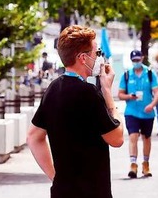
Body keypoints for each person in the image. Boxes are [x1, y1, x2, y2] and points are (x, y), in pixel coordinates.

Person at [27, 25, 123, 198]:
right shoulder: (88, 93)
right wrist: (107, 92)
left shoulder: (53, 88)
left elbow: (34, 137)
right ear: (83, 58)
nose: (98, 58)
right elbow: (117, 138)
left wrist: (55, 177)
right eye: (97, 53)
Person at [118, 49, 158, 178]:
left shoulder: (150, 74)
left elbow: (157, 91)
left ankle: (146, 164)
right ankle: (133, 164)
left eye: (138, 60)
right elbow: (120, 94)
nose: (136, 62)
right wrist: (129, 96)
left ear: (142, 59)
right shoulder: (126, 75)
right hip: (132, 111)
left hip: (147, 113)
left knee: (146, 138)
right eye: (134, 60)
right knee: (133, 137)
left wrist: (152, 105)